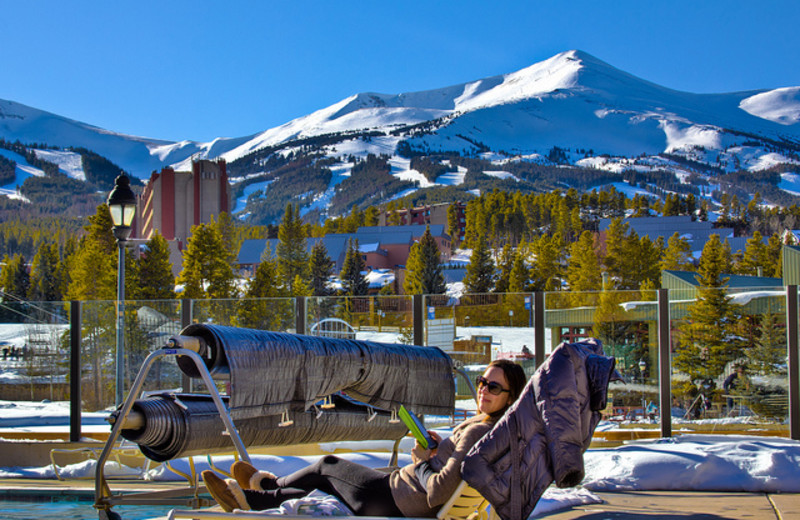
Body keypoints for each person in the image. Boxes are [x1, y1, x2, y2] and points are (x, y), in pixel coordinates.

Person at [202, 359, 527, 517]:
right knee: (325, 474)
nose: (483, 389)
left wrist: (424, 460)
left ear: (510, 398)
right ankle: (262, 488)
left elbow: (438, 489)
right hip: (400, 494)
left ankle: (258, 495)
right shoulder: (493, 432)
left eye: (494, 387)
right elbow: (453, 470)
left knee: (326, 466)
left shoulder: (478, 432)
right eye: (482, 381)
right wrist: (438, 446)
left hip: (395, 501)